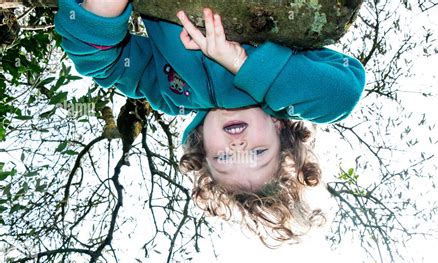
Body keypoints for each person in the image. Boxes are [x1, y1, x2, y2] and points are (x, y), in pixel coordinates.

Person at [54, 0, 366, 246]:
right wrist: (241, 62)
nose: (238, 145)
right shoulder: (286, 83)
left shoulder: (173, 95)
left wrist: (102, 12)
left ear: (204, 149)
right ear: (279, 127)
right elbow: (343, 93)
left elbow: (108, 66)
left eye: (224, 158)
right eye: (257, 153)